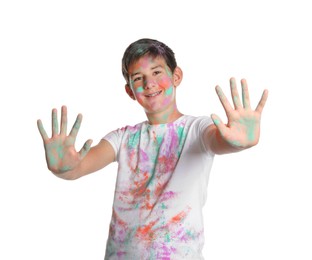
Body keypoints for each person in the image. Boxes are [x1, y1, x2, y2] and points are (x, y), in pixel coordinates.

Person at [37, 38, 268, 259]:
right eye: (138, 78)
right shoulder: (123, 138)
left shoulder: (196, 129)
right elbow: (79, 167)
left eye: (157, 72)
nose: (149, 84)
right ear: (130, 91)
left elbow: (218, 140)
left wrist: (239, 141)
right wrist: (63, 168)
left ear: (176, 76)